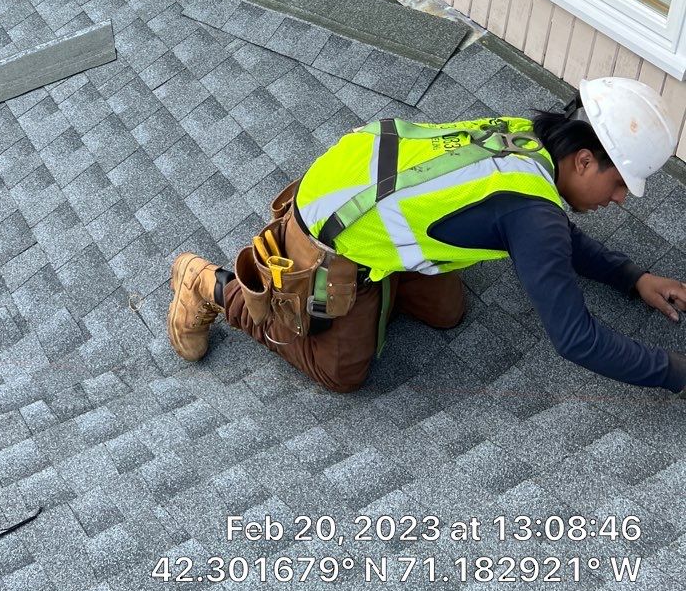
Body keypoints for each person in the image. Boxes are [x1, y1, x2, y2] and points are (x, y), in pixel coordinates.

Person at [167, 77, 686, 395]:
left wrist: (631, 276)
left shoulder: (529, 136)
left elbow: (553, 238)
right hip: (329, 237)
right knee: (343, 376)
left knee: (447, 313)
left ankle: (379, 285)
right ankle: (208, 287)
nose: (619, 199)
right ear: (585, 158)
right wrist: (676, 373)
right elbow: (577, 340)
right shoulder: (536, 217)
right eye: (619, 184)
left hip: (352, 187)